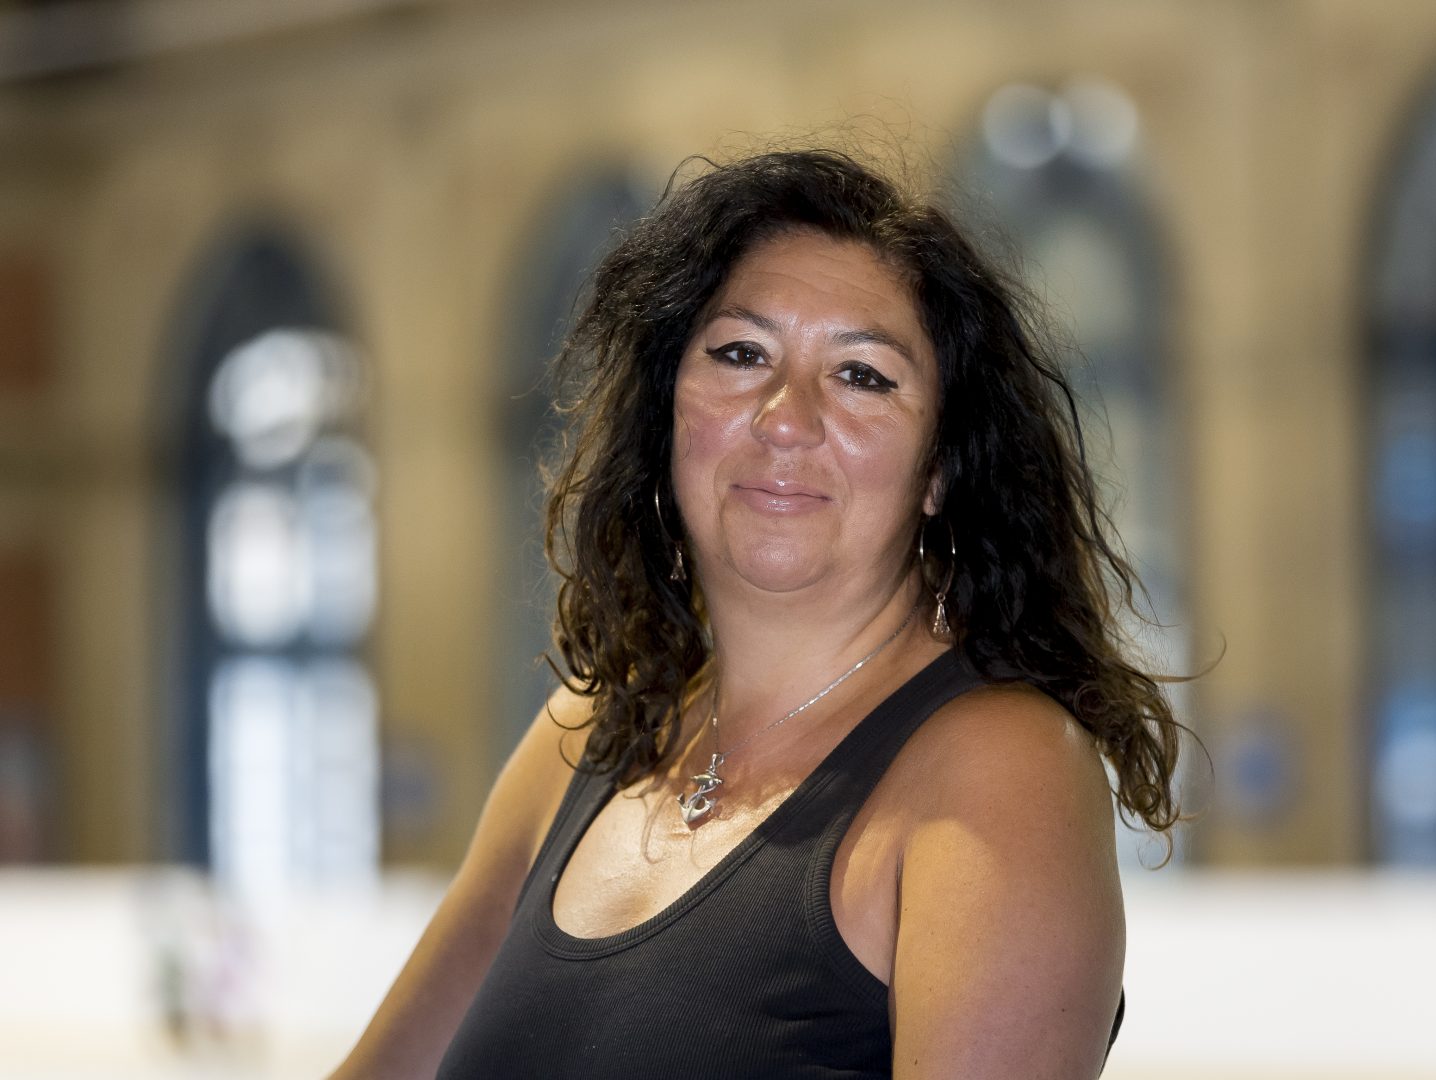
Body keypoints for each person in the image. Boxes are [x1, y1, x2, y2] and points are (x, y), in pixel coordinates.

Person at [330, 147, 1186, 1079]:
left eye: (863, 375)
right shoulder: (588, 730)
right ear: (668, 418)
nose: (787, 416)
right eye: (740, 354)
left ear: (943, 468)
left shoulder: (1001, 770)